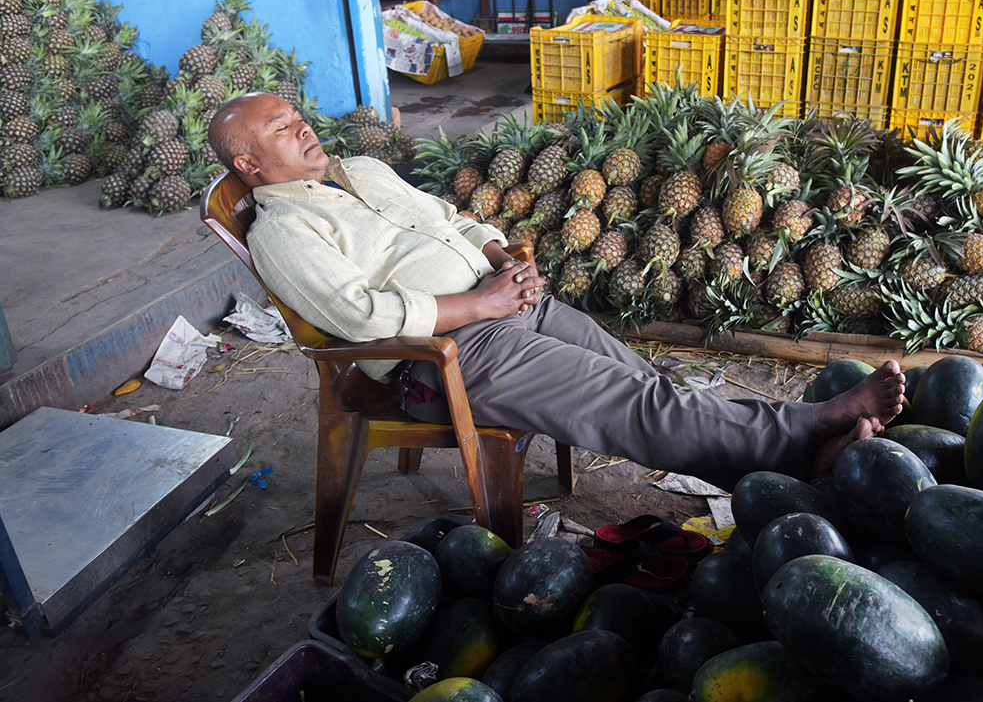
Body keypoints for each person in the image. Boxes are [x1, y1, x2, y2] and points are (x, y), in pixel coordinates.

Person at [207, 93, 905, 489]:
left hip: (502, 303)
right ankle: (806, 431)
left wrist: (498, 255)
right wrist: (479, 304)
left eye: (296, 115)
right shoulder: (283, 227)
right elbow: (357, 317)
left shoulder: (358, 168)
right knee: (640, 400)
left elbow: (450, 215)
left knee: (645, 376)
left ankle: (787, 464)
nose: (301, 127)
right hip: (443, 356)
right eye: (280, 129)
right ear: (248, 162)